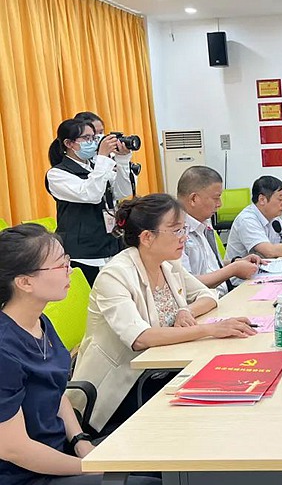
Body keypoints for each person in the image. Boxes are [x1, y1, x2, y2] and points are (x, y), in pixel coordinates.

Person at [71, 194, 256, 435]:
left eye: (184, 229)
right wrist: (209, 329)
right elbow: (140, 338)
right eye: (176, 230)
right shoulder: (115, 275)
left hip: (161, 370)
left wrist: (184, 310)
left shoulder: (167, 263)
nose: (184, 237)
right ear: (147, 237)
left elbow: (208, 295)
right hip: (122, 388)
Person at [0, 224, 161, 485]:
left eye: (67, 260)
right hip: (27, 476)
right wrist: (89, 467)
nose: (70, 270)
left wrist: (80, 440)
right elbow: (14, 449)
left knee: (163, 459)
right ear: (25, 282)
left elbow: (56, 390)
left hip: (61, 451)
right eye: (60, 265)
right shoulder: (4, 349)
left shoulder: (39, 322)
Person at [45, 118, 135, 285]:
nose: (93, 142)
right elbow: (91, 195)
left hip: (110, 246)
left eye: (94, 137)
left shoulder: (97, 167)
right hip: (84, 254)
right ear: (69, 144)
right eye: (86, 138)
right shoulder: (57, 174)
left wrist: (122, 160)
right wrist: (102, 158)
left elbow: (123, 191)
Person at [176, 166, 261, 297]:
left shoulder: (203, 223)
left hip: (223, 296)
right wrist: (233, 269)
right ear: (194, 199)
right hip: (204, 302)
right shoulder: (176, 231)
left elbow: (210, 267)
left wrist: (236, 262)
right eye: (216, 198)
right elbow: (187, 284)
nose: (219, 204)